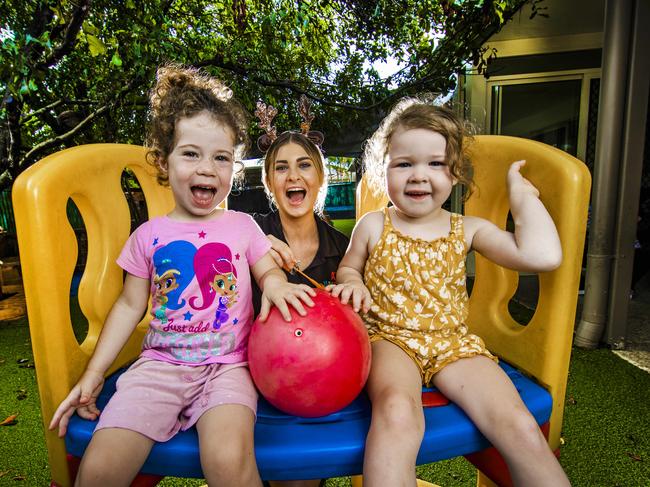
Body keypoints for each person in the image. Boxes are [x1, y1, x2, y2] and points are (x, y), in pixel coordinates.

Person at [49, 65, 315, 487]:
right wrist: (94, 374)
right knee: (100, 468)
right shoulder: (148, 236)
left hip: (230, 367)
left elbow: (267, 270)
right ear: (163, 161)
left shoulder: (243, 225)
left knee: (229, 462)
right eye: (191, 153)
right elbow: (129, 305)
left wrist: (278, 284)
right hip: (159, 368)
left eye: (221, 157)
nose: (207, 168)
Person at [328, 98, 571, 486]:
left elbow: (541, 255)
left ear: (455, 173)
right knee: (396, 413)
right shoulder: (374, 225)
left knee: (519, 424)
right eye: (404, 163)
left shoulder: (467, 229)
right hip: (389, 339)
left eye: (436, 163)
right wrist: (353, 282)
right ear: (383, 171)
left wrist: (521, 201)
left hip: (453, 344)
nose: (419, 176)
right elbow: (349, 267)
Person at [251, 99, 349, 487]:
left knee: (299, 476)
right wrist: (256, 244)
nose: (294, 175)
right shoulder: (248, 232)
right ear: (270, 182)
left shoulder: (343, 249)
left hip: (321, 384)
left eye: (304, 164)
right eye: (281, 167)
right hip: (258, 375)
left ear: (320, 177)